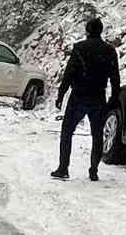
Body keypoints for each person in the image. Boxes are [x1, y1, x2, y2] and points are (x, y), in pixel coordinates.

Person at [52, 16, 121, 183]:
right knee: (97, 135)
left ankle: (63, 168)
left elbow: (69, 74)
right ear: (101, 31)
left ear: (87, 30)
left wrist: (61, 94)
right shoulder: (110, 51)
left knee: (67, 132)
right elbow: (115, 78)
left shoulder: (79, 48)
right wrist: (114, 98)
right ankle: (93, 170)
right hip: (98, 96)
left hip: (79, 96)